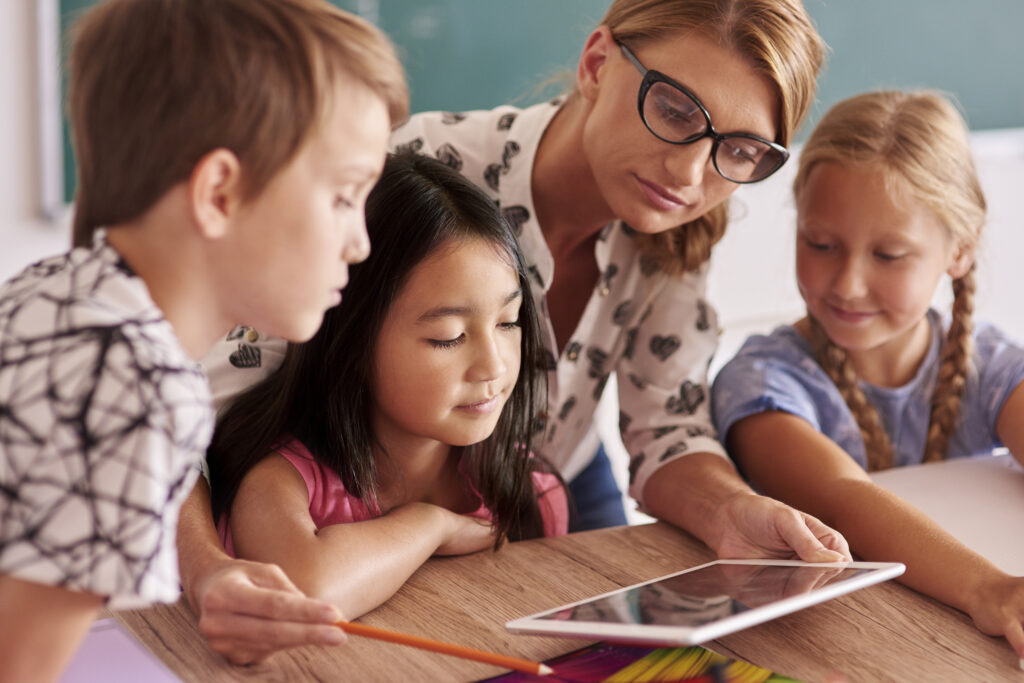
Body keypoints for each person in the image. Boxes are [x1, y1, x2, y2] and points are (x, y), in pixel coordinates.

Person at [204, 0, 850, 559]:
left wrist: (735, 509)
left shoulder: (678, 232)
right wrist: (209, 569)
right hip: (360, 497)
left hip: (543, 480)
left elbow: (668, 430)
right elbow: (216, 403)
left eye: (740, 150)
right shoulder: (409, 171)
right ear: (596, 64)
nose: (688, 173)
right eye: (676, 110)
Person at [0, 0, 408, 678]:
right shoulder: (138, 385)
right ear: (219, 193)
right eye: (343, 197)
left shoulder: (55, 289)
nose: (360, 242)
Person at [711, 90, 1024, 657]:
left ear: (960, 249)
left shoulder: (993, 365)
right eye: (821, 244)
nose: (848, 284)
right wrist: (989, 589)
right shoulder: (760, 381)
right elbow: (843, 500)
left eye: (888, 255)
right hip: (817, 647)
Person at [206, 153, 568, 620]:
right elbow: (306, 590)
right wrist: (430, 526)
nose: (493, 366)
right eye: (448, 337)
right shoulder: (283, 483)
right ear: (352, 340)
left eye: (508, 322)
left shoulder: (530, 494)